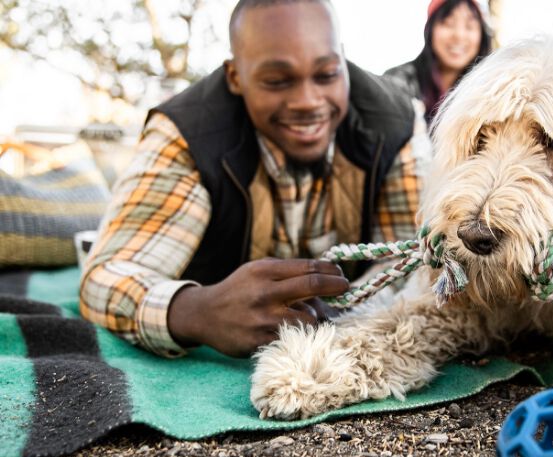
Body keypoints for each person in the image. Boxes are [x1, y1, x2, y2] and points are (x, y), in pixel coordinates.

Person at [79, 0, 430, 359]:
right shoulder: (188, 133)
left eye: (326, 75)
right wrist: (195, 311)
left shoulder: (395, 122)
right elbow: (107, 275)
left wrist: (347, 312)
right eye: (278, 81)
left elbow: (418, 256)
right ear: (235, 76)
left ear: (341, 59)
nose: (308, 101)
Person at [384, 0, 492, 125]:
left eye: (469, 26)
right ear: (430, 30)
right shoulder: (399, 82)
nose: (459, 35)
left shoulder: (487, 93)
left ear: (482, 35)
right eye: (448, 23)